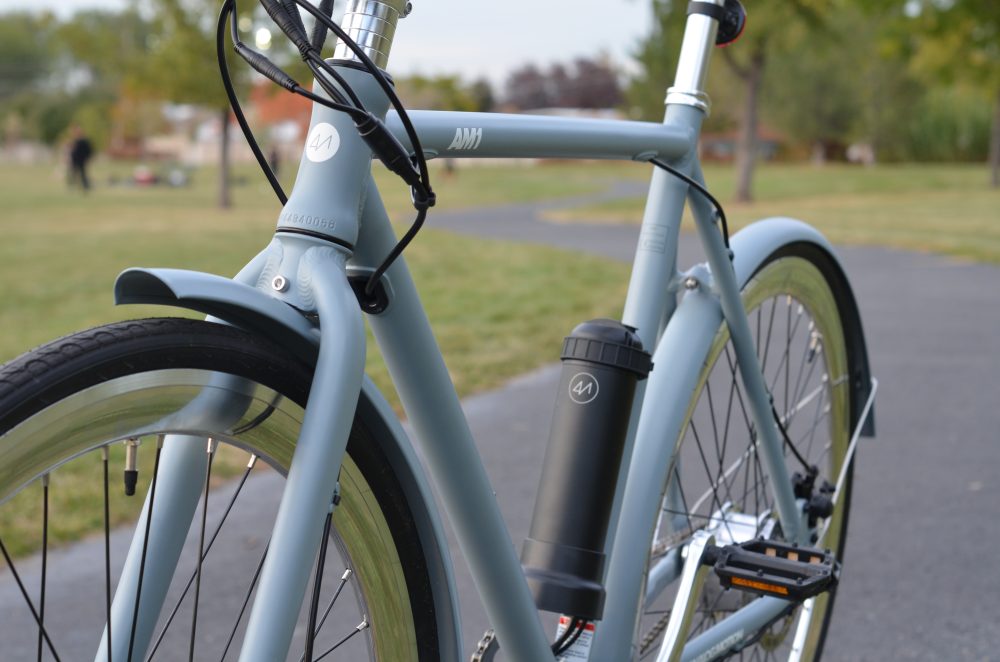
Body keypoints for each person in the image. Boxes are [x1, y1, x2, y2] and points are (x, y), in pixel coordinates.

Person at [67, 125, 94, 191]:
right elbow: (72, 151)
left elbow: (89, 150)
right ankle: (72, 186)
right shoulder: (75, 140)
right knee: (73, 173)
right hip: (75, 160)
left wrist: (88, 158)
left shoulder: (84, 141)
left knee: (83, 174)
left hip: (82, 160)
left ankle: (86, 186)